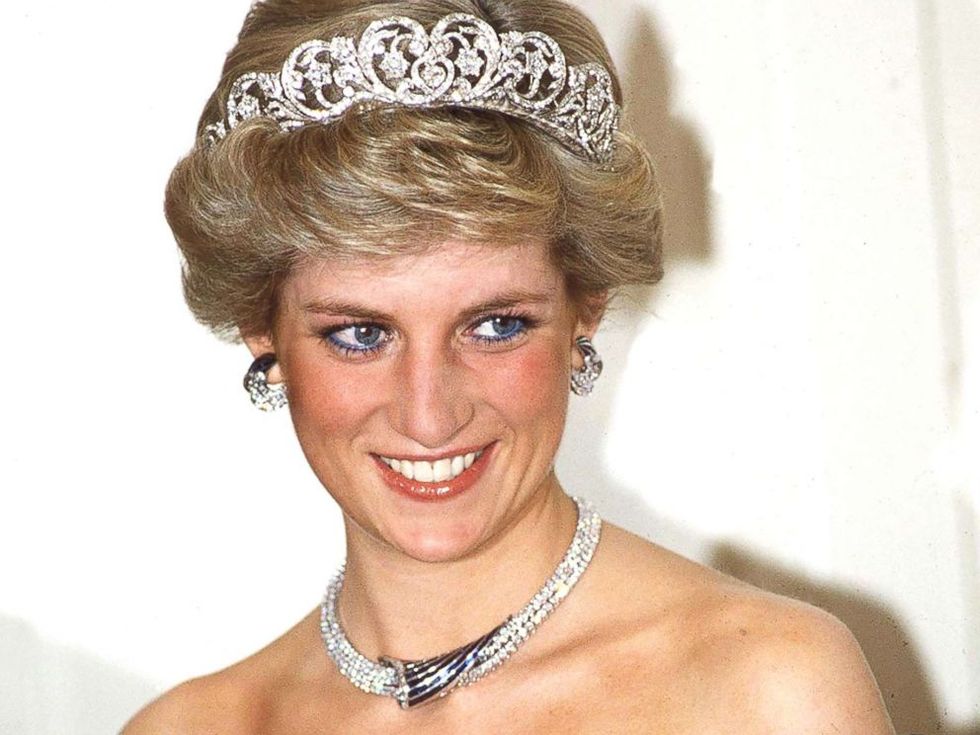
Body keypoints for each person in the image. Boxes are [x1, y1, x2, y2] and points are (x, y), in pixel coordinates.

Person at [124, 1, 896, 731]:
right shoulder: (193, 726)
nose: (430, 415)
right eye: (361, 334)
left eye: (495, 325)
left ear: (584, 308)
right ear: (262, 330)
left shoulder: (766, 690)